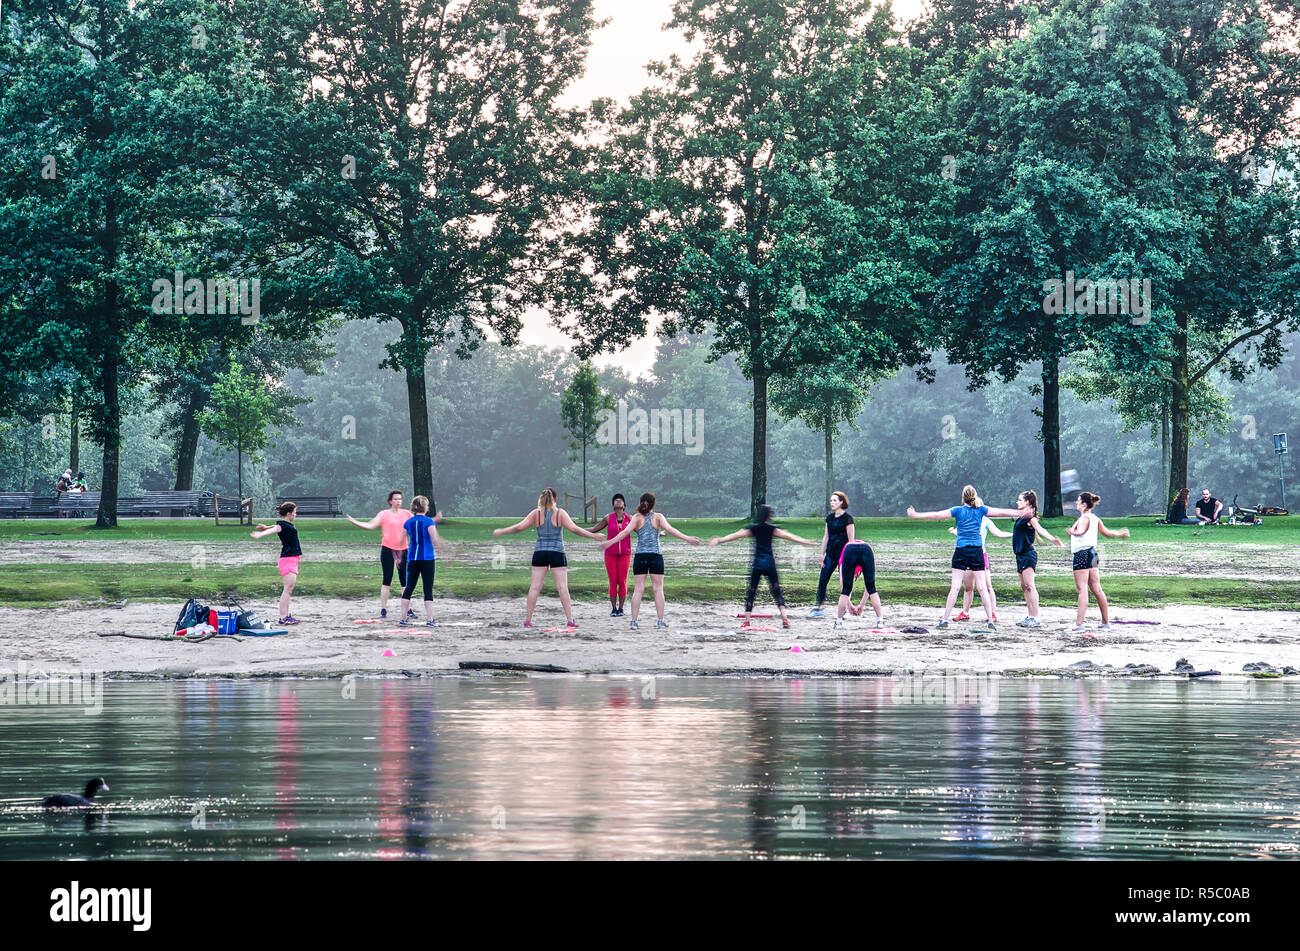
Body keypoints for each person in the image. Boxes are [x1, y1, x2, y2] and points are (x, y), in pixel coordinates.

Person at [906, 485, 1021, 629]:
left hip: (961, 551)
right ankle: (990, 620)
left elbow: (936, 515)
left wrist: (915, 514)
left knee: (954, 587)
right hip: (977, 551)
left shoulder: (958, 510)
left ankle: (945, 620)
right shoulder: (981, 510)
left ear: (963, 497)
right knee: (982, 588)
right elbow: (1002, 512)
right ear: (975, 496)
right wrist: (1021, 513)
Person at [493, 487, 605, 628]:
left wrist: (502, 531)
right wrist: (594, 536)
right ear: (556, 500)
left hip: (540, 553)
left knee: (534, 587)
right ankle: (570, 620)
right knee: (562, 587)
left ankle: (528, 620)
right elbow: (575, 529)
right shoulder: (560, 513)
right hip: (557, 553)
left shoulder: (536, 513)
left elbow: (519, 527)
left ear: (541, 499)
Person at [603, 492, 700, 629]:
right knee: (658, 589)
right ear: (653, 504)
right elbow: (671, 530)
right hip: (655, 556)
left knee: (638, 590)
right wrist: (688, 539)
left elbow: (625, 532)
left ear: (641, 502)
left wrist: (609, 542)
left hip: (641, 556)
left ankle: (634, 622)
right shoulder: (658, 517)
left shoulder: (637, 517)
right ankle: (660, 621)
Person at [709, 505, 815, 629]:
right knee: (777, 591)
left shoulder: (754, 529)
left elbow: (736, 535)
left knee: (751, 592)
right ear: (768, 516)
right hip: (770, 564)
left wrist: (719, 540)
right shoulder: (771, 529)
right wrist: (806, 542)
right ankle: (784, 618)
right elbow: (789, 536)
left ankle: (747, 621)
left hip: (757, 564)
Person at [346, 491, 441, 619]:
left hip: (403, 550)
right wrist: (355, 522)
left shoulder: (406, 514)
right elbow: (370, 525)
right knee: (387, 579)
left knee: (405, 582)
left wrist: (435, 519)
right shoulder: (384, 514)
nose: (398, 501)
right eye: (395, 499)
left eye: (400, 499)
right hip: (388, 549)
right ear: (390, 501)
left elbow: (420, 521)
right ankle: (383, 609)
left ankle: (407, 610)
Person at [1066, 491, 1130, 634]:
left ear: (1084, 504)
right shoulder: (1095, 518)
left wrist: (1072, 531)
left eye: (1078, 501)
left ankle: (1079, 625)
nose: (1076, 503)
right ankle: (1105, 623)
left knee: (1082, 590)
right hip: (1093, 554)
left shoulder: (1084, 518)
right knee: (1097, 589)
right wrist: (1120, 534)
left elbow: (1081, 531)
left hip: (1082, 554)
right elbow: (1107, 533)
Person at [1010, 490, 1064, 628]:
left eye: (1020, 500)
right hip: (1019, 555)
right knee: (1024, 587)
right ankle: (1030, 616)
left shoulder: (1030, 517)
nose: (1017, 502)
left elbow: (1040, 529)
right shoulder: (1022, 516)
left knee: (1030, 585)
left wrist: (1053, 539)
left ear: (1027, 502)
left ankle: (1036, 617)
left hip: (1028, 555)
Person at [949, 514, 1011, 621]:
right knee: (968, 586)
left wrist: (1015, 534)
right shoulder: (966, 518)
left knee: (987, 586)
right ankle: (965, 612)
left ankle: (992, 613)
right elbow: (963, 534)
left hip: (981, 555)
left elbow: (999, 533)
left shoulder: (986, 520)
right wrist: (954, 531)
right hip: (968, 554)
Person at [251, 501, 302, 625]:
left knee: (289, 589)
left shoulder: (285, 524)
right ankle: (283, 617)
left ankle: (285, 616)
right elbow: (275, 529)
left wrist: (265, 527)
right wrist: (261, 534)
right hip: (287, 559)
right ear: (289, 513)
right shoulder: (283, 526)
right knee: (287, 589)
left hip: (292, 558)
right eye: (294, 513)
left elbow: (276, 526)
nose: (295, 515)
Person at [809, 491, 855, 618]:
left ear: (841, 502)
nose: (832, 503)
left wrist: (851, 558)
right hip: (830, 554)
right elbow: (826, 537)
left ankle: (846, 608)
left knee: (844, 584)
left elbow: (851, 541)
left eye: (835, 500)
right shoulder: (829, 518)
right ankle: (818, 607)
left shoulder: (848, 519)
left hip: (844, 556)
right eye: (831, 500)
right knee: (823, 580)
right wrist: (821, 554)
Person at [398, 495, 440, 627]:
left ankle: (403, 619)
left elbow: (401, 541)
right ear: (425, 507)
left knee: (409, 588)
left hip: (412, 559)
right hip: (427, 559)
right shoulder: (429, 522)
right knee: (427, 589)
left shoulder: (408, 522)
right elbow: (435, 540)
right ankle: (430, 619)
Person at [833, 538, 883, 630]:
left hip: (850, 550)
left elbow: (842, 586)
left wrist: (858, 605)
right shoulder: (846, 562)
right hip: (866, 549)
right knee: (872, 588)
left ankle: (839, 622)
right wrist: (856, 605)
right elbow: (869, 588)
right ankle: (880, 621)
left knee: (845, 590)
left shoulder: (842, 560)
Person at [602, 494, 633, 616]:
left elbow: (641, 529)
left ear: (624, 505)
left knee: (623, 581)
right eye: (616, 499)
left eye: (621, 500)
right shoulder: (608, 518)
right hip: (610, 554)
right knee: (613, 581)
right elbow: (595, 528)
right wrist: (576, 528)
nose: (618, 500)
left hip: (625, 554)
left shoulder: (629, 519)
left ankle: (621, 608)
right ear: (613, 504)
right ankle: (613, 609)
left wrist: (659, 533)